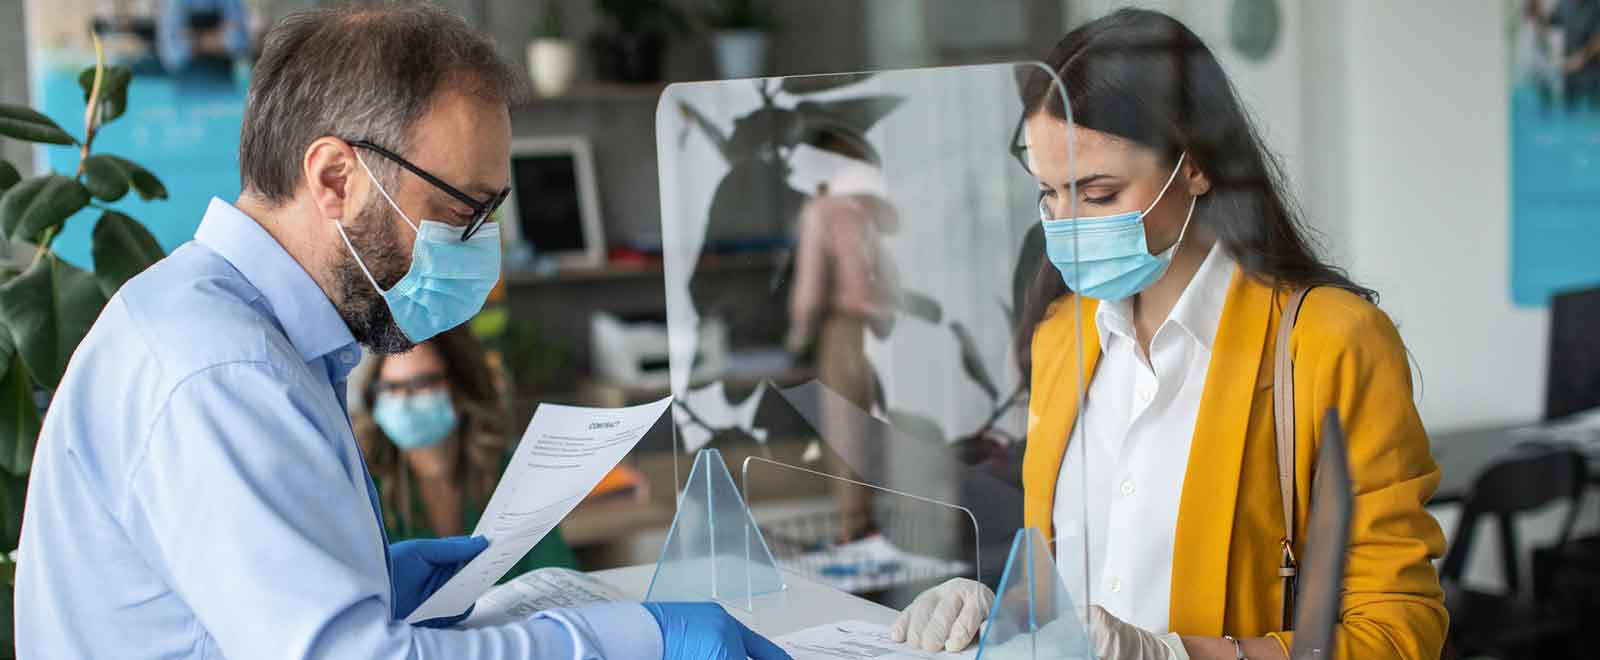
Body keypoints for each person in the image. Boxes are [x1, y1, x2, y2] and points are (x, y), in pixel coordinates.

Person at [15, 5, 787, 659]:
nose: (481, 246)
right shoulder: (222, 369)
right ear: (333, 179)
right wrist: (630, 640)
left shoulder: (243, 331)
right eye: (460, 209)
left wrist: (366, 579)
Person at [891, 9, 1446, 660]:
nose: (1064, 225)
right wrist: (994, 610)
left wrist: (1175, 655)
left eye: (1097, 194)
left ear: (1196, 166)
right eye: (1049, 194)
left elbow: (1398, 636)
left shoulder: (1332, 343)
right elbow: (1072, 588)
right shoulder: (1061, 337)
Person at [351, 326, 579, 573]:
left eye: (422, 383)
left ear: (462, 389)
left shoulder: (512, 476)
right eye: (390, 388)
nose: (404, 400)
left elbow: (557, 576)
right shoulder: (362, 488)